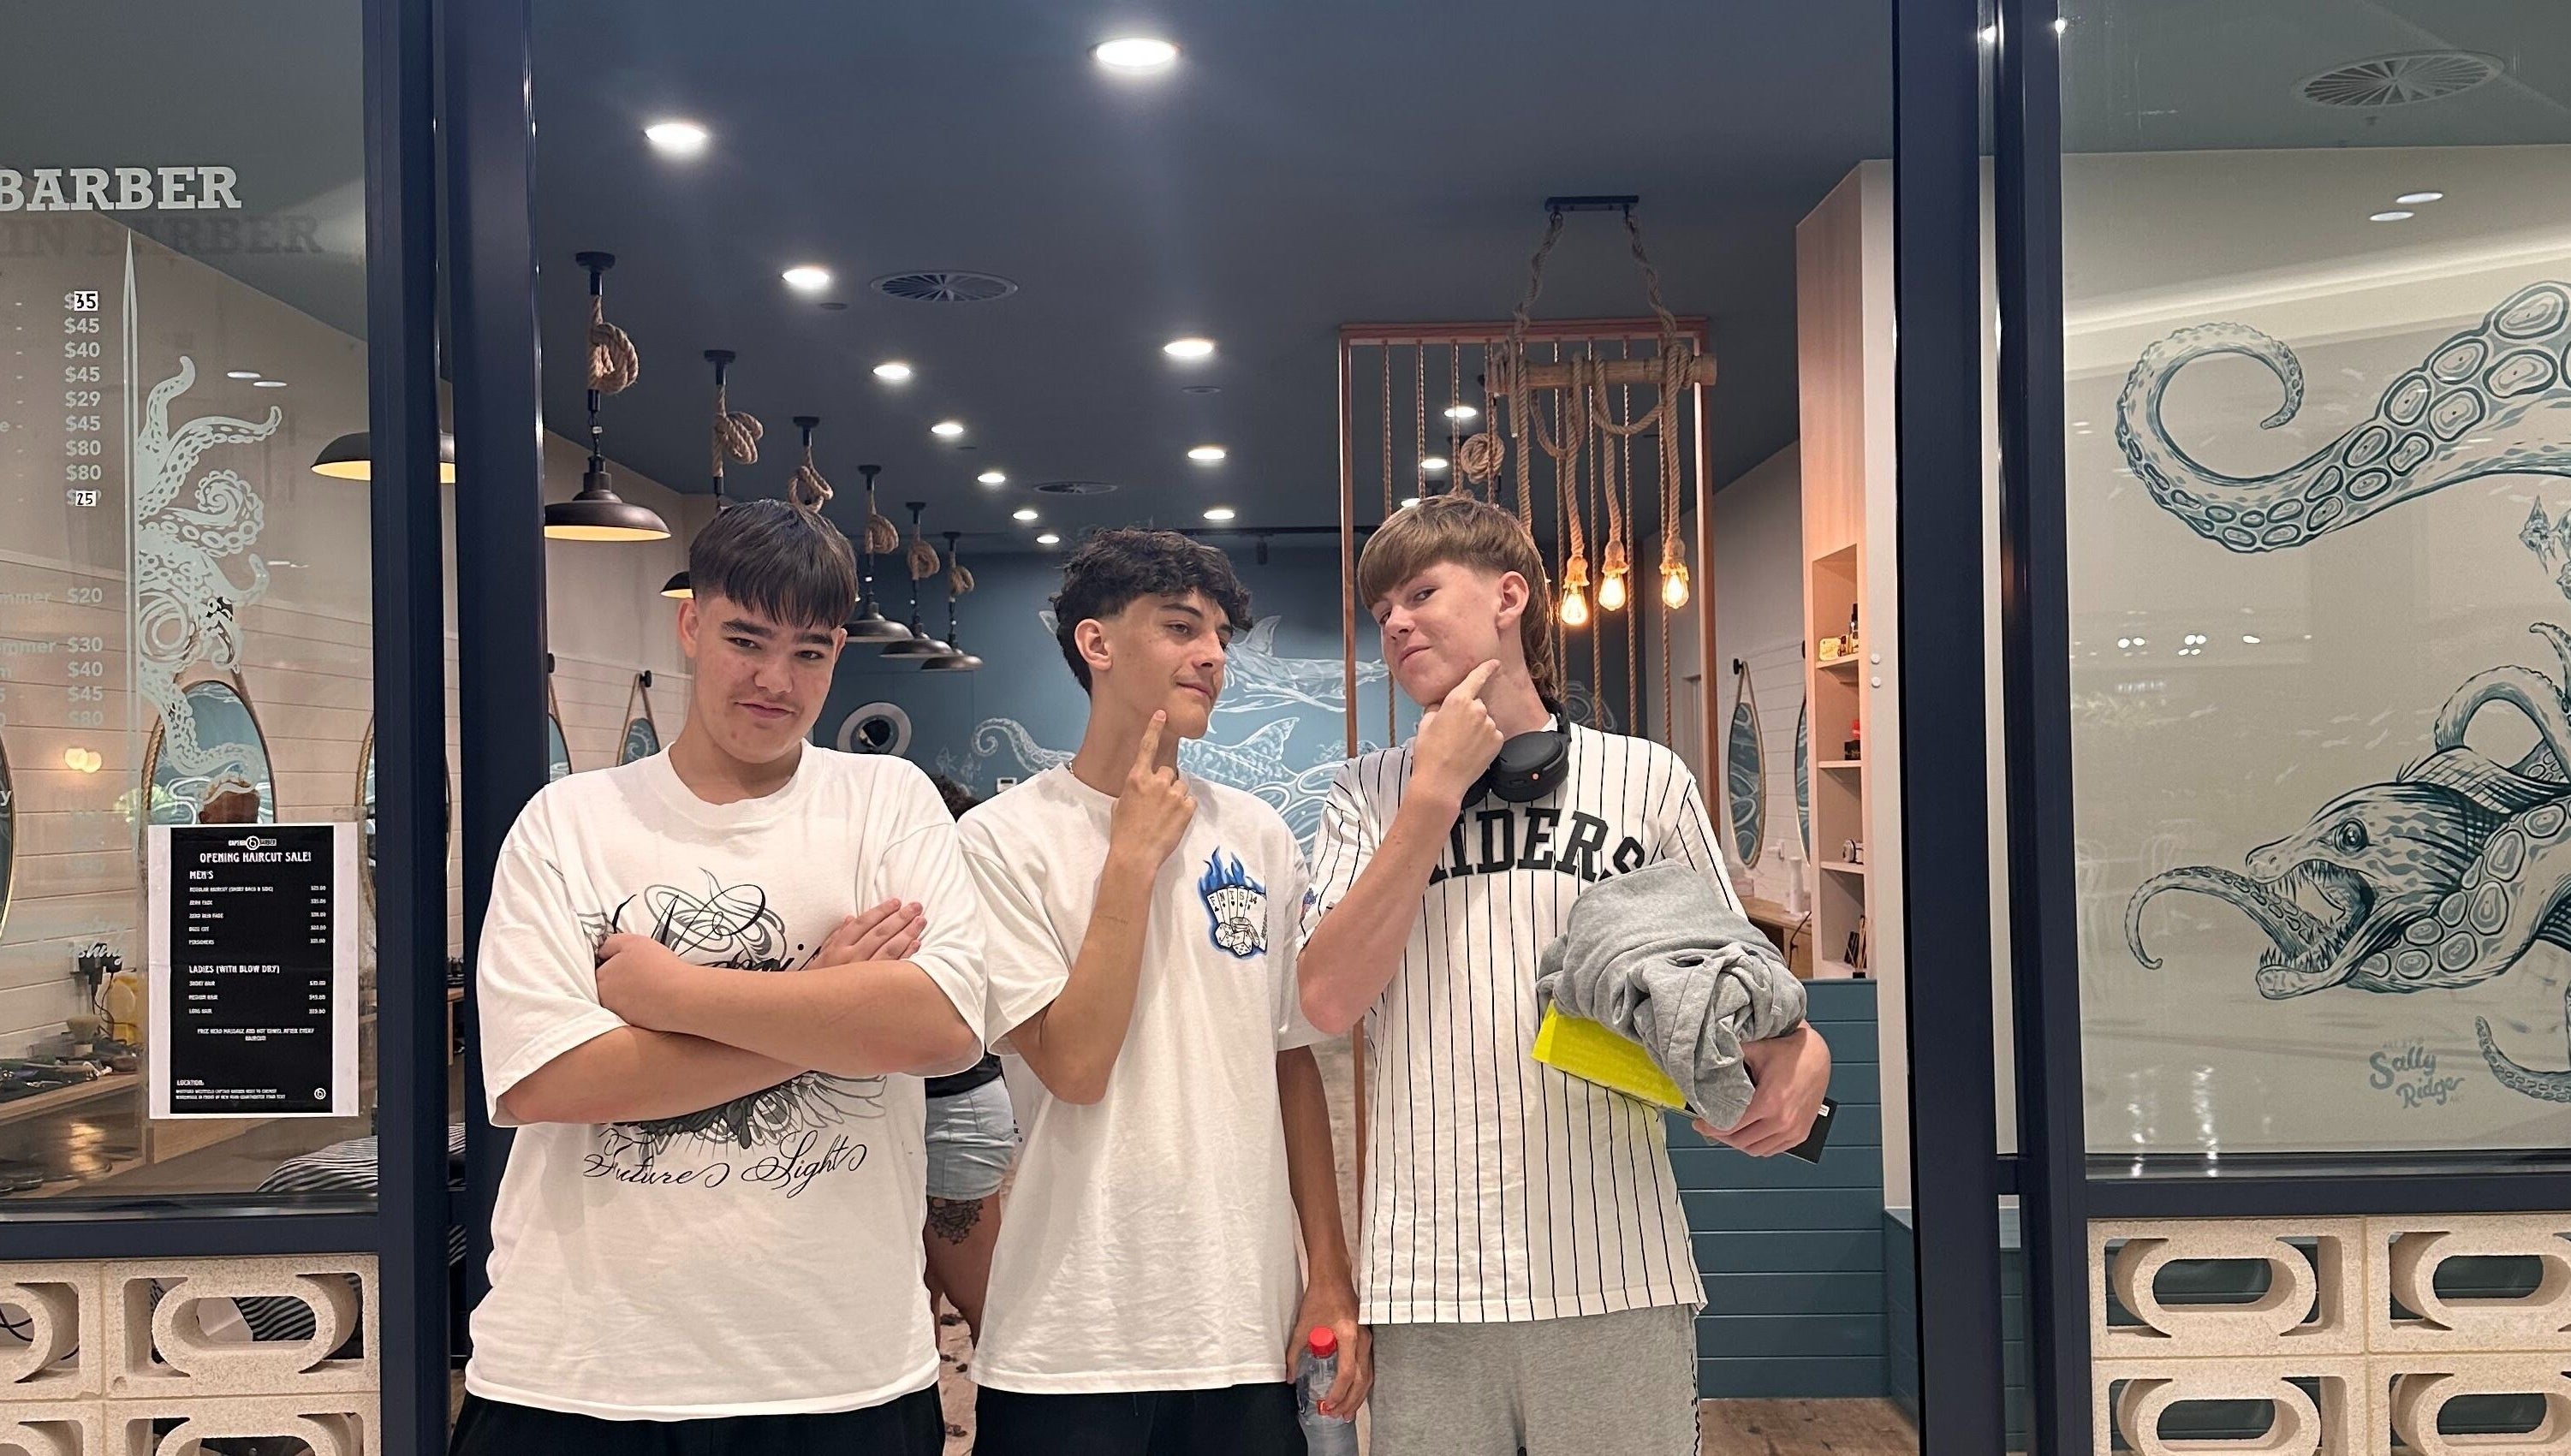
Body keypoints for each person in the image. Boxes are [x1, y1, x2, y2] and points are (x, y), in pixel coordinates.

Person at [1298, 495, 1833, 1456]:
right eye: (1380, 610)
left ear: (1510, 596)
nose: (1395, 622)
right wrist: (1430, 797)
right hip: (1426, 1277)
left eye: (1420, 592)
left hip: (1614, 1263)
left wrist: (1801, 1044)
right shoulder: (1367, 793)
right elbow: (1328, 999)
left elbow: (1732, 974)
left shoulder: (1646, 779)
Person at [455, 498, 988, 1456]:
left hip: (837, 1374)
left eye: (811, 652)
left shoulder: (887, 802)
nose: (775, 681)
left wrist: (675, 999)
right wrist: (825, 1002)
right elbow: (548, 1082)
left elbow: (940, 1027)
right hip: (577, 1374)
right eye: (747, 639)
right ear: (692, 625)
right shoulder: (569, 822)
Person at [956, 529, 1369, 1456]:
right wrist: (1132, 859)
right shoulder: (1000, 842)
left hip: (1241, 1329)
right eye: (1181, 627)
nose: (1213, 656)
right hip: (1070, 1337)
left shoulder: (1257, 834)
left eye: (1220, 634)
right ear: (1096, 644)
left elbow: (1289, 1056)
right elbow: (1075, 1065)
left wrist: (1329, 1273)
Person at [921, 772, 1018, 1340]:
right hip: (933, 1109)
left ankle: (1020, 1428)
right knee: (915, 1299)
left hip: (956, 1111)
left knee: (987, 1310)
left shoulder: (959, 904)